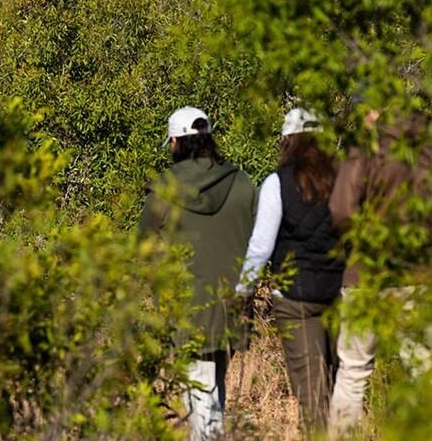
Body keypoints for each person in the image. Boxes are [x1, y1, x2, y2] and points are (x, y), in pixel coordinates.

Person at [327, 104, 432, 437]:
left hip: (365, 278)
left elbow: (341, 210)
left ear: (372, 110)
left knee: (353, 372)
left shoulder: (366, 149)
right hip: (418, 276)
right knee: (424, 371)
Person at [139, 106, 257, 441]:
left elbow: (142, 247)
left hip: (189, 306)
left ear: (176, 142)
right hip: (234, 303)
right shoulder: (241, 182)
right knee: (212, 382)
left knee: (202, 390)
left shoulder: (165, 190)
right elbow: (257, 240)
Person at [236, 107, 344, 433]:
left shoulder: (276, 184)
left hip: (295, 297)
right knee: (340, 384)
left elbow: (260, 247)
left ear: (288, 140)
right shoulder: (345, 181)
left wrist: (243, 292)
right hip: (339, 293)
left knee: (311, 393)